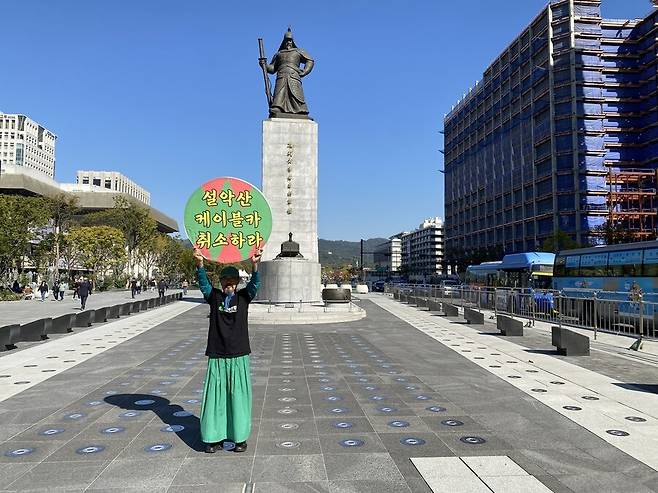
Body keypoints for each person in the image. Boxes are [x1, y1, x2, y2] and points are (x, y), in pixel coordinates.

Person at [194, 246, 262, 454]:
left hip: (239, 354)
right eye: (225, 280)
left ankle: (239, 438)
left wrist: (255, 265)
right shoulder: (213, 297)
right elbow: (203, 284)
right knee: (215, 397)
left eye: (232, 281)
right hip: (217, 353)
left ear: (237, 282)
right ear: (221, 282)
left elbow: (255, 285)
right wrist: (200, 264)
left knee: (238, 397)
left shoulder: (244, 298)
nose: (229, 284)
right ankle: (213, 437)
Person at [261, 29, 314, 117]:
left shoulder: (298, 51)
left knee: (296, 94)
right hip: (281, 76)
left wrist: (305, 71)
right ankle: (278, 108)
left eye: (290, 40)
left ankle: (300, 109)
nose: (288, 42)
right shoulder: (278, 54)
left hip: (293, 75)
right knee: (279, 94)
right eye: (287, 40)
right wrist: (264, 65)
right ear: (284, 41)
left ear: (293, 41)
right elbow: (272, 69)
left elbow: (310, 60)